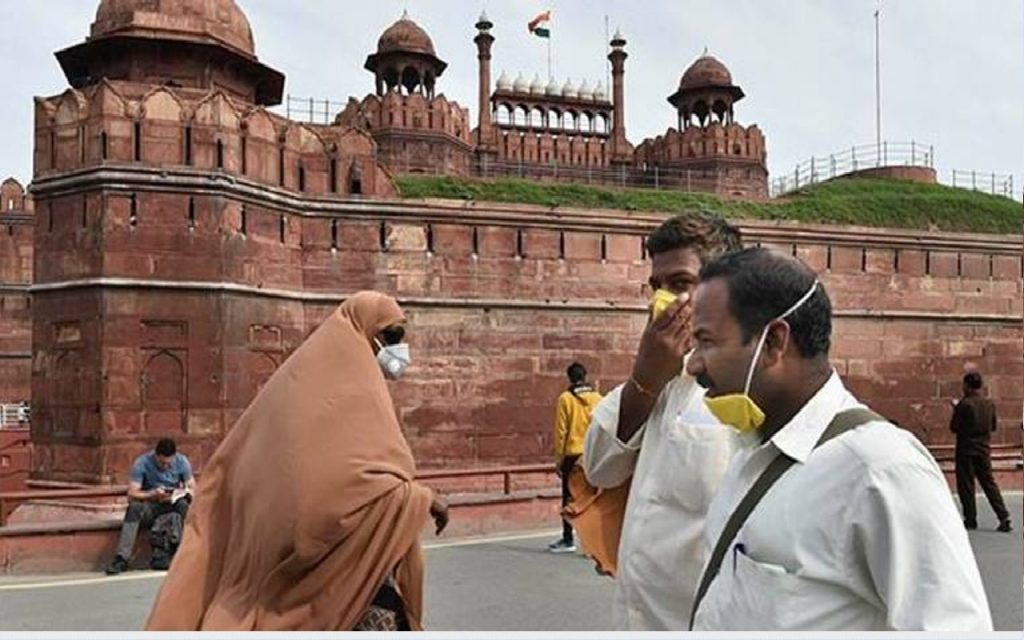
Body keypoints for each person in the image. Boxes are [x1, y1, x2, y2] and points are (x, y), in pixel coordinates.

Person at [686, 248, 991, 631]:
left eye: (707, 342)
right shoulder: (749, 451)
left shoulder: (880, 469)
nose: (693, 364)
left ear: (774, 342)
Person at [145, 291, 449, 631]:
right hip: (318, 570)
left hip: (334, 560)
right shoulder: (336, 388)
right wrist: (420, 500)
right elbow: (330, 493)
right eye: (391, 337)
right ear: (366, 333)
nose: (399, 349)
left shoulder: (315, 382)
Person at [581, 213, 743, 629]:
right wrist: (645, 379)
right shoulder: (660, 377)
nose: (663, 299)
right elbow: (599, 466)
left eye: (680, 283)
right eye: (656, 286)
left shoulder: (748, 388)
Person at [105, 437, 195, 574]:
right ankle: (122, 558)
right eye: (162, 463)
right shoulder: (142, 463)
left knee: (184, 506)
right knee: (134, 508)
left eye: (169, 464)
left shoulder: (182, 462)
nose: (165, 467)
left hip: (172, 506)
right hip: (151, 505)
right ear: (156, 456)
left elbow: (193, 488)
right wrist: (152, 494)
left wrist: (183, 493)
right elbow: (132, 494)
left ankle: (186, 554)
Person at [549, 362, 602, 553]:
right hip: (591, 453)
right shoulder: (598, 398)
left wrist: (559, 459)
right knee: (591, 498)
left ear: (570, 378)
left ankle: (568, 538)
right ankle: (591, 544)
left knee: (569, 498)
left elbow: (561, 431)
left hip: (572, 454)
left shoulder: (565, 398)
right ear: (585, 376)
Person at [951, 372, 1012, 532]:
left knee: (966, 486)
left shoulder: (965, 404)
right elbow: (993, 426)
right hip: (983, 449)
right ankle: (1003, 516)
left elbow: (954, 427)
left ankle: (970, 519)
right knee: (989, 483)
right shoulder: (989, 404)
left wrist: (955, 409)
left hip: (966, 450)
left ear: (967, 386)